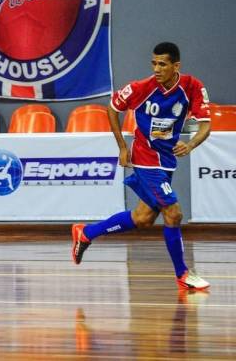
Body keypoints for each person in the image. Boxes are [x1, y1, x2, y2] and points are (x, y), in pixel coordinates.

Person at [72, 42, 212, 291]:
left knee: (143, 217)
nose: (157, 69)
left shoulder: (192, 87)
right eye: (154, 63)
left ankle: (86, 233)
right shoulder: (141, 88)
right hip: (145, 158)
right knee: (174, 213)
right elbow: (112, 109)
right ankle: (183, 274)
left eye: (163, 64)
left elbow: (205, 125)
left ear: (175, 66)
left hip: (166, 159)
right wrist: (122, 147)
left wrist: (190, 146)